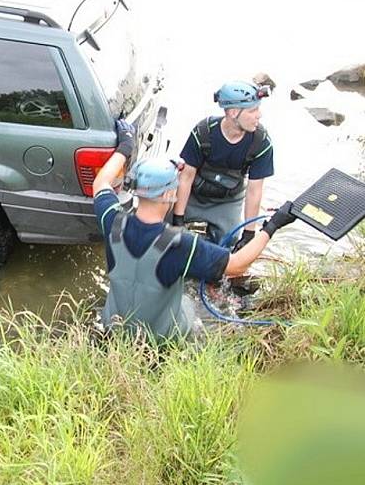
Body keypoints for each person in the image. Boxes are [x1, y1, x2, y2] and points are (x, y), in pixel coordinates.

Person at [93, 121, 295, 340]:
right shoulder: (180, 244)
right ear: (168, 195)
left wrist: (125, 144)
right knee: (189, 307)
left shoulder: (112, 220)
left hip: (113, 328)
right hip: (157, 341)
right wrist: (273, 225)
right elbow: (238, 265)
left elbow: (101, 182)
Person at [171, 79, 275, 249]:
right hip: (194, 195)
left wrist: (249, 234)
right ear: (233, 112)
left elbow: (254, 190)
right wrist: (177, 220)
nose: (259, 115)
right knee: (164, 233)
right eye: (253, 110)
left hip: (228, 200)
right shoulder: (203, 132)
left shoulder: (261, 143)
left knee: (229, 243)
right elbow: (186, 177)